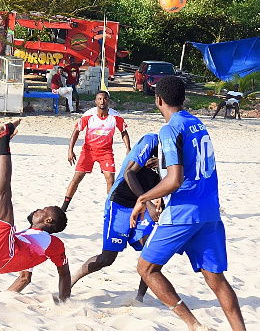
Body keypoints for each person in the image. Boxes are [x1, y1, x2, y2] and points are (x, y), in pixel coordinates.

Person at [130, 76, 246, 331]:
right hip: (210, 212)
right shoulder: (198, 123)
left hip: (184, 211)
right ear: (184, 99)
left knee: (146, 269)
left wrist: (143, 197)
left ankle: (194, 325)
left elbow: (174, 179)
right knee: (216, 279)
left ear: (158, 100)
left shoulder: (169, 129)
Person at [0, 120, 71, 301]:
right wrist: (5, 298)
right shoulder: (31, 242)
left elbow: (64, 274)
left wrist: (64, 301)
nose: (37, 210)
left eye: (42, 211)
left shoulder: (53, 243)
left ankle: (4, 137)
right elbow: (24, 278)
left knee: (3, 194)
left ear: (49, 221)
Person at [71, 133, 162, 302]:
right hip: (121, 203)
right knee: (107, 259)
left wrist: (158, 196)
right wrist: (147, 202)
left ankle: (139, 298)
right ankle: (71, 281)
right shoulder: (151, 141)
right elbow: (129, 174)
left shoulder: (176, 152)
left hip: (143, 203)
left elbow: (165, 180)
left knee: (152, 251)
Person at [62, 90, 131, 211]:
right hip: (88, 151)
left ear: (108, 100)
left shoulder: (115, 116)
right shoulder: (89, 115)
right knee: (77, 177)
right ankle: (65, 205)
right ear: (96, 101)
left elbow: (123, 132)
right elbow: (76, 131)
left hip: (106, 152)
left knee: (110, 178)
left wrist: (128, 148)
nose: (102, 101)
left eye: (104, 99)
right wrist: (70, 150)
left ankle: (110, 206)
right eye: (99, 99)